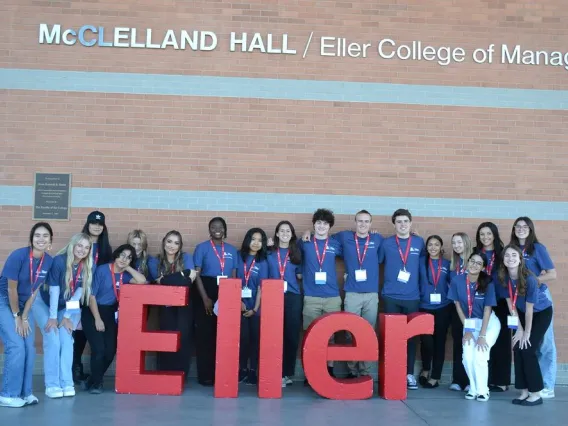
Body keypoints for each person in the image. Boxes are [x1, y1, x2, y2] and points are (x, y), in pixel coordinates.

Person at [32, 233, 93, 399]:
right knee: (52, 337)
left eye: (86, 247)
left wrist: (66, 316)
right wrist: (53, 317)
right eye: (79, 245)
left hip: (64, 306)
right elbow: (54, 290)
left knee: (66, 338)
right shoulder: (59, 260)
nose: (82, 250)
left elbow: (78, 294)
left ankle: (66, 382)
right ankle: (52, 384)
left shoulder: (86, 266)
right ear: (72, 245)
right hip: (43, 302)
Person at [0, 222, 54, 408]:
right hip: (5, 300)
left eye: (45, 235)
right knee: (16, 346)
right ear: (31, 239)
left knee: (29, 347)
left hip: (25, 304)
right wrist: (16, 316)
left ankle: (25, 393)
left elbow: (35, 290)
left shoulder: (49, 260)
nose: (41, 239)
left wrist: (24, 316)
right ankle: (8, 395)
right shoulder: (18, 255)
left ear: (50, 241)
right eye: (37, 235)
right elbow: (11, 288)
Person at [82, 244, 146, 394]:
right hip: (93, 311)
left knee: (110, 351)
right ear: (116, 255)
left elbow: (142, 280)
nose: (124, 259)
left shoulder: (126, 275)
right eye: (122, 255)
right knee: (99, 349)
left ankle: (92, 379)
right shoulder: (103, 269)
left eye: (129, 257)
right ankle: (97, 384)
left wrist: (128, 267)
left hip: (110, 313)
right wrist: (97, 319)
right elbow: (91, 296)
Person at [498, 244, 553, 406]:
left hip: (540, 313)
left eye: (514, 255)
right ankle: (523, 391)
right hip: (519, 313)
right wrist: (519, 330)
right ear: (503, 260)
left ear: (520, 259)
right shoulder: (503, 278)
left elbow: (530, 309)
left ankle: (536, 393)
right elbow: (511, 306)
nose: (510, 258)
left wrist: (526, 332)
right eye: (507, 255)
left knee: (527, 348)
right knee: (517, 347)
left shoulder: (529, 278)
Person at [510, 217, 557, 399]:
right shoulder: (512, 250)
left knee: (545, 343)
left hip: (539, 299)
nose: (521, 229)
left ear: (530, 229)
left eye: (525, 226)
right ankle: (529, 386)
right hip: (520, 303)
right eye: (518, 226)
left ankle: (547, 385)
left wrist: (535, 280)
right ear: (514, 229)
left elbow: (552, 274)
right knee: (526, 344)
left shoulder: (538, 248)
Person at [379, 209, 425, 390]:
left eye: (406, 221)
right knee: (391, 338)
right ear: (394, 224)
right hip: (391, 296)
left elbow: (423, 265)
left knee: (411, 338)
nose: (403, 225)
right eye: (399, 222)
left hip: (412, 297)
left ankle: (409, 374)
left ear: (411, 223)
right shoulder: (386, 243)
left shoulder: (419, 242)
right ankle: (392, 373)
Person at [448, 252, 500, 402]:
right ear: (468, 262)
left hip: (488, 324)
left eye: (478, 263)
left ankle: (483, 391)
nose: (474, 265)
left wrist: (482, 335)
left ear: (483, 267)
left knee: (480, 355)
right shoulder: (457, 280)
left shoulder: (487, 282)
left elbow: (487, 309)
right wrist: (468, 330)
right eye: (472, 261)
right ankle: (473, 387)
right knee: (467, 357)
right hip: (469, 323)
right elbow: (458, 306)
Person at [193, 218, 238, 386]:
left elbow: (234, 275)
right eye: (213, 227)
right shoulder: (202, 247)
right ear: (209, 230)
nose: (217, 229)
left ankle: (223, 374)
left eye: (220, 227)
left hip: (227, 290)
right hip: (207, 289)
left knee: (225, 336)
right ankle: (205, 376)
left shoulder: (232, 250)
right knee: (206, 335)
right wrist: (205, 298)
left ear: (225, 230)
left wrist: (231, 297)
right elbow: (197, 274)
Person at [299, 208, 343, 383]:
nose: (321, 226)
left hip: (332, 296)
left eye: (325, 223)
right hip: (311, 297)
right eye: (318, 223)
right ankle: (311, 371)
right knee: (310, 336)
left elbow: (355, 242)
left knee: (330, 335)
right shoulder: (305, 242)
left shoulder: (336, 244)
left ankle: (329, 370)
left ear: (329, 226)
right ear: (314, 224)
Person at [148, 231, 196, 380]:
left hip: (185, 305)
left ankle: (181, 375)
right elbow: (157, 281)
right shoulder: (154, 261)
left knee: (184, 338)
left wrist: (165, 280)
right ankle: (165, 373)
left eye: (176, 243)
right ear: (163, 242)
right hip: (165, 306)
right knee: (166, 337)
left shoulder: (186, 257)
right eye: (169, 241)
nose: (172, 246)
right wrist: (182, 276)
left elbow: (192, 278)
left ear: (180, 246)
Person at [73, 210, 113, 384]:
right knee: (77, 332)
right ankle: (75, 368)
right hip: (77, 293)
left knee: (89, 332)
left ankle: (91, 372)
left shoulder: (106, 248)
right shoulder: (81, 244)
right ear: (87, 224)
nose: (96, 226)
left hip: (94, 296)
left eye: (100, 224)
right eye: (93, 223)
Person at [267, 221, 303, 388]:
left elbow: (301, 275)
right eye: (281, 230)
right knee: (275, 335)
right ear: (276, 233)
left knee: (291, 335)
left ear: (292, 234)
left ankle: (287, 372)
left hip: (292, 296)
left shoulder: (296, 252)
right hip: (272, 295)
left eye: (288, 230)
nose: (285, 233)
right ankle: (275, 371)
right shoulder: (269, 252)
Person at [475, 222, 509, 392]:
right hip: (480, 301)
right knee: (484, 340)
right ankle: (485, 380)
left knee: (502, 341)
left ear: (494, 235)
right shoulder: (475, 253)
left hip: (500, 300)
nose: (485, 237)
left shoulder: (502, 254)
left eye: (488, 233)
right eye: (482, 234)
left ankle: (501, 381)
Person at [236, 228, 269, 385]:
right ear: (247, 239)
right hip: (238, 306)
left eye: (260, 240)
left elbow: (261, 287)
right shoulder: (238, 256)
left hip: (256, 308)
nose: (256, 243)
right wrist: (239, 301)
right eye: (253, 239)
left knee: (255, 340)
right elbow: (234, 280)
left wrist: (255, 309)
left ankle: (253, 371)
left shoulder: (263, 261)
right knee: (243, 339)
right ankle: (241, 370)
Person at [418, 235, 452, 389]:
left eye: (436, 244)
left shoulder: (447, 264)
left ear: (441, 247)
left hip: (443, 308)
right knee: (426, 341)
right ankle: (425, 369)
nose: (433, 247)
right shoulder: (420, 263)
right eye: (430, 245)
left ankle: (435, 376)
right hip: (424, 306)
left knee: (439, 342)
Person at [448, 232, 472, 392]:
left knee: (471, 344)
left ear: (466, 243)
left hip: (472, 308)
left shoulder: (474, 260)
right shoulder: (453, 264)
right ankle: (458, 380)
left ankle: (471, 380)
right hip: (456, 308)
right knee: (458, 343)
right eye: (454, 243)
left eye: (459, 242)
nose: (457, 246)